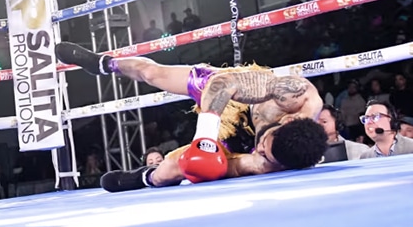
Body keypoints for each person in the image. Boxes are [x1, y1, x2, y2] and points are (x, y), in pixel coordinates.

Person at [55, 42, 328, 191]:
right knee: (153, 74)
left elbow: (245, 164)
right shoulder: (289, 94)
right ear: (288, 121)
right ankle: (105, 63)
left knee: (170, 172)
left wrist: (209, 162)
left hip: (236, 141)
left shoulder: (273, 161)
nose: (262, 149)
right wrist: (205, 138)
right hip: (230, 95)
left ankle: (143, 177)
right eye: (266, 142)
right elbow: (222, 86)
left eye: (266, 154)